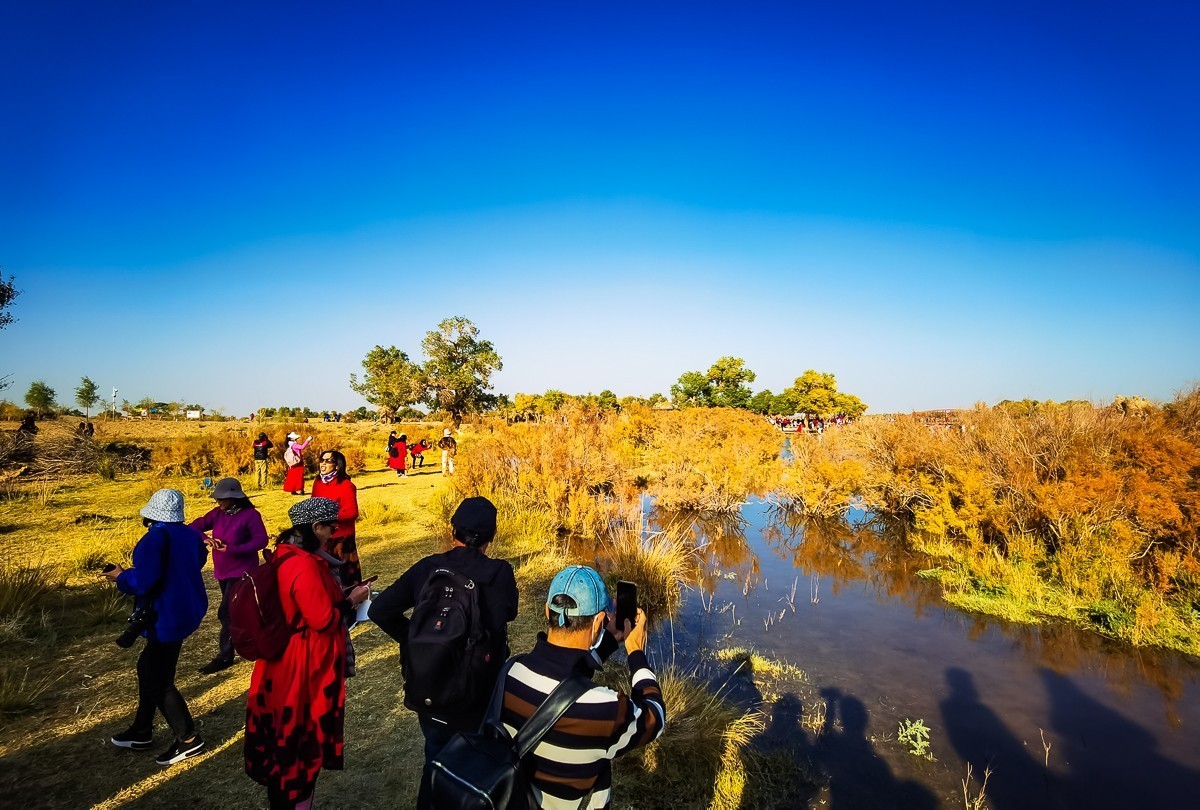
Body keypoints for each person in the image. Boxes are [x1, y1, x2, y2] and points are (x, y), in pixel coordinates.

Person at [370, 496, 518, 810]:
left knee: (435, 758)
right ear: (491, 537)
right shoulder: (499, 573)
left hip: (430, 685)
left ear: (453, 530)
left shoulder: (428, 568)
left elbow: (381, 610)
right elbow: (509, 613)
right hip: (477, 694)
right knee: (473, 771)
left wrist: (413, 640)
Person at [499, 565, 666, 810]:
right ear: (599, 621)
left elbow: (564, 687)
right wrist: (636, 653)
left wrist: (608, 643)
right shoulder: (604, 709)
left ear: (547, 611)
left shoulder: (510, 672)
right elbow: (655, 717)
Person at [244, 497, 371, 810]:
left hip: (281, 662)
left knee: (281, 737)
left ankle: (287, 794)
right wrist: (353, 599)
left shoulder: (285, 554)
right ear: (315, 527)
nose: (334, 533)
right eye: (330, 527)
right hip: (304, 665)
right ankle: (296, 798)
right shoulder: (304, 565)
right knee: (302, 735)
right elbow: (323, 619)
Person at [105, 488, 210, 766]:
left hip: (166, 616)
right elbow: (198, 561)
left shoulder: (155, 539)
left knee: (158, 679)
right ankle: (141, 730)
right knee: (148, 668)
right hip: (186, 609)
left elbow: (144, 581)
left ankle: (188, 739)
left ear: (150, 515)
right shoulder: (190, 534)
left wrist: (121, 576)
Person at [188, 478, 269, 674]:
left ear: (234, 498)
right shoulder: (217, 514)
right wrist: (205, 538)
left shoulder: (251, 516)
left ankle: (225, 655)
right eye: (218, 499)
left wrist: (233, 549)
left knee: (226, 612)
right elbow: (193, 527)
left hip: (242, 572)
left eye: (222, 499)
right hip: (222, 572)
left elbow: (261, 540)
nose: (219, 503)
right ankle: (256, 642)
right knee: (239, 612)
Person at [310, 450, 360, 586]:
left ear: (337, 465)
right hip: (322, 537)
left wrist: (327, 517)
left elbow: (352, 512)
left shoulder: (346, 486)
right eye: (321, 460)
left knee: (345, 576)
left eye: (328, 461)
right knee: (325, 575)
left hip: (341, 538)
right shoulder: (318, 483)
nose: (323, 464)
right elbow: (313, 503)